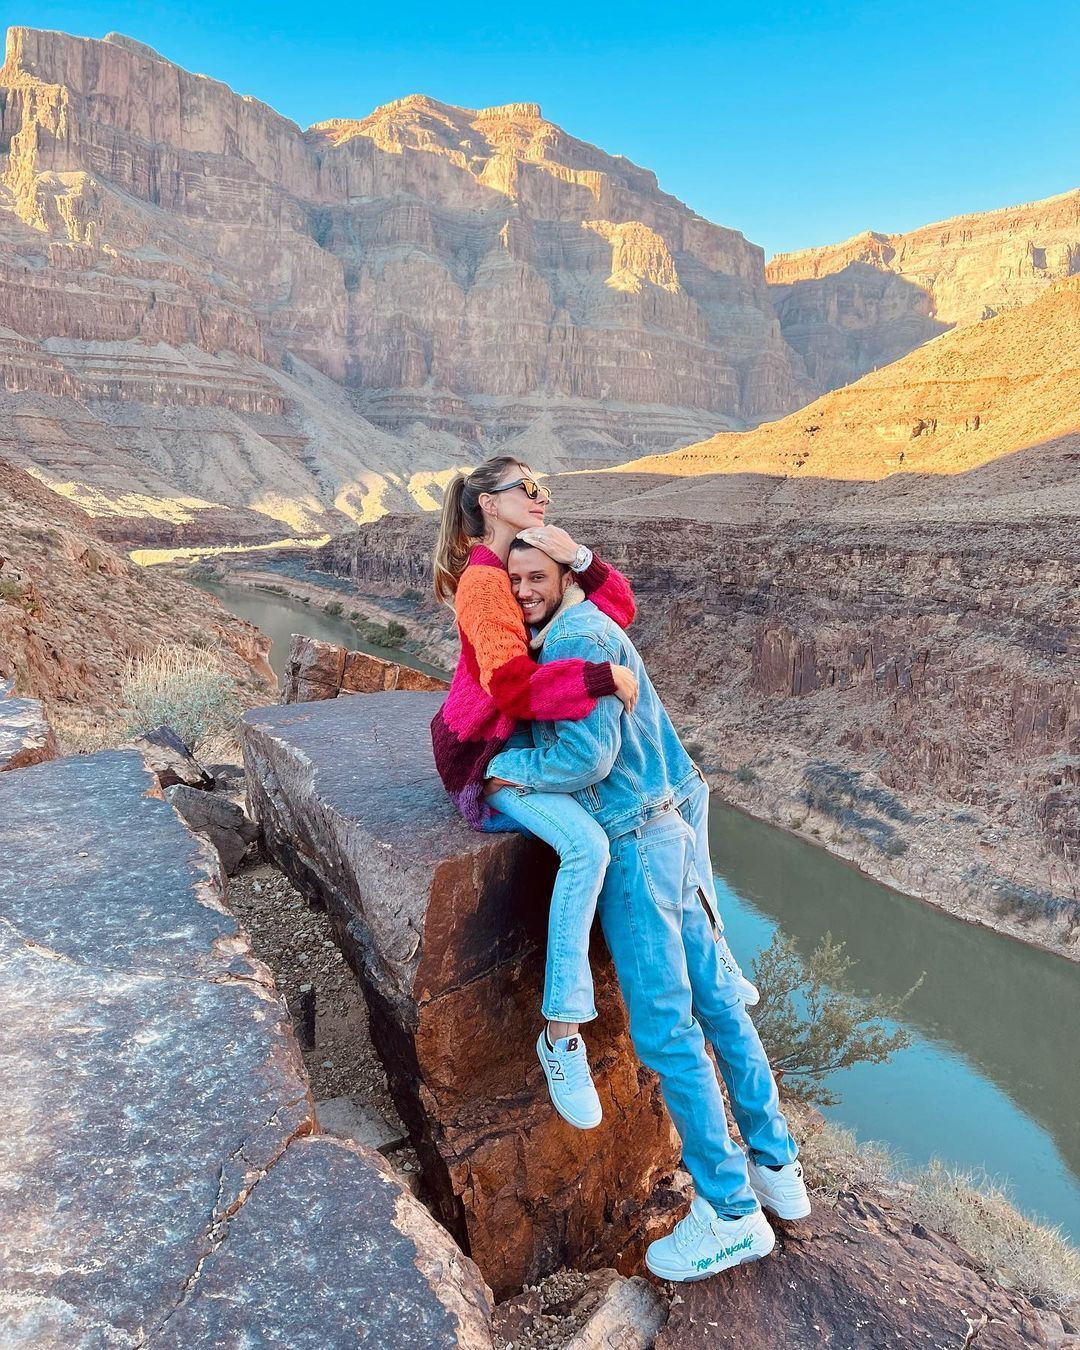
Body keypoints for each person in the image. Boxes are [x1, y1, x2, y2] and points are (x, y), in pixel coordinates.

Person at [486, 540, 809, 1282]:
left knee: (668, 1032)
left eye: (537, 577)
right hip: (669, 832)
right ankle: (775, 1171)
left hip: (633, 843)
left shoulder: (577, 637)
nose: (526, 591)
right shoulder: (592, 623)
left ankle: (731, 1214)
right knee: (722, 1008)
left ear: (564, 576)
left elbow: (587, 759)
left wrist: (510, 768)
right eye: (516, 581)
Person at [430, 454, 640, 1130]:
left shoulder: (519, 560)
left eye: (543, 485)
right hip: (492, 752)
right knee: (586, 845)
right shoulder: (485, 583)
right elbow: (511, 689)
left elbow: (619, 611)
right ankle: (561, 1035)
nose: (541, 495)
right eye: (528, 487)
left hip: (528, 741)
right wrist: (599, 681)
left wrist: (576, 554)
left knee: (637, 798)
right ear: (488, 502)